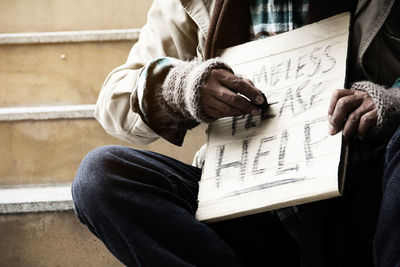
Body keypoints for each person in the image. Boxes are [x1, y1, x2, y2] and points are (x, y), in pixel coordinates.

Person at [71, 0, 400, 266]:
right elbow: (113, 102)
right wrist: (179, 87)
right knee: (100, 176)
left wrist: (392, 100)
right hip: (240, 204)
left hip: (365, 199)